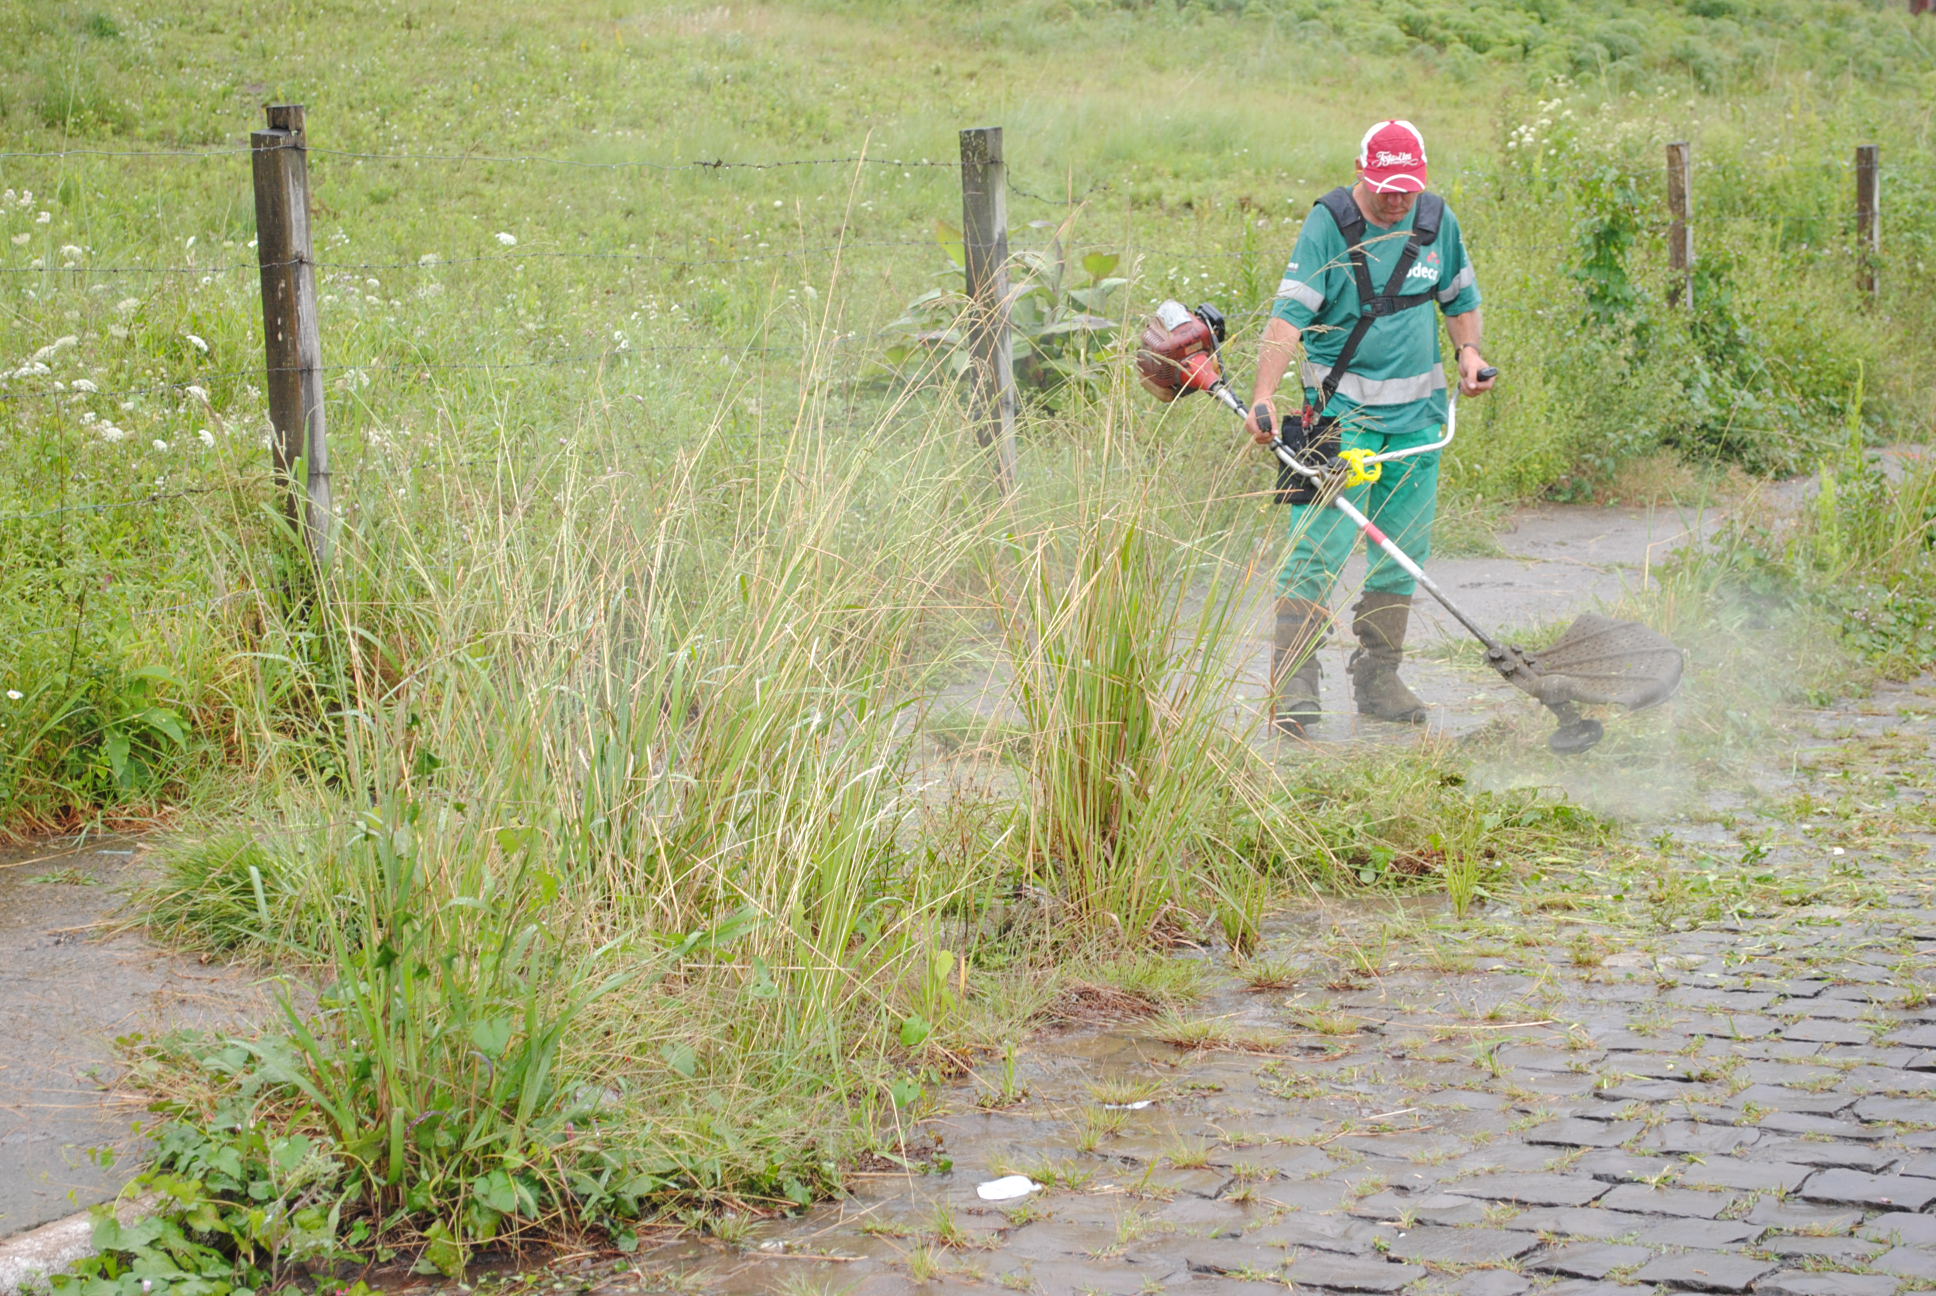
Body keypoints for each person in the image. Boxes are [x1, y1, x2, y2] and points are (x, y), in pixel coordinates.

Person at [1244, 119, 1494, 738]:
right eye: (1386, 186)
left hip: (1418, 422)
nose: (1396, 198)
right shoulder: (1330, 223)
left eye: (1408, 187)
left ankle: (1379, 680)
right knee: (1316, 548)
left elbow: (1460, 301)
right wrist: (1264, 395)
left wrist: (1469, 355)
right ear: (1362, 173)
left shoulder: (1437, 221)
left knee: (1402, 551)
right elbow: (1289, 313)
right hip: (1337, 422)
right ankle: (1294, 688)